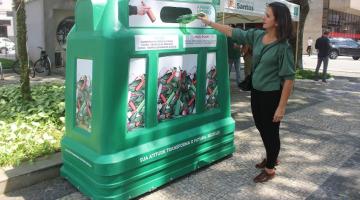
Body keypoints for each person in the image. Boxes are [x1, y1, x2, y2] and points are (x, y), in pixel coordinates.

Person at [198, 1, 295, 183]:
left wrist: (281, 107)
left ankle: (270, 168)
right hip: (257, 92)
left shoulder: (284, 47)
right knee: (260, 126)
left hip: (271, 95)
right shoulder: (258, 36)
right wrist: (209, 23)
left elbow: (289, 79)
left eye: (267, 15)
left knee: (270, 132)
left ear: (278, 21)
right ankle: (271, 156)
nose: (263, 18)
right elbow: (232, 32)